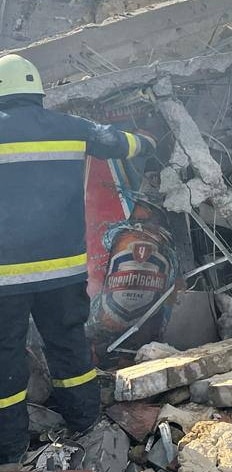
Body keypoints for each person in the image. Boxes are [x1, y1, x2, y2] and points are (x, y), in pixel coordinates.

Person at [0, 54, 156, 469]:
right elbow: (122, 143)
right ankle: (86, 423)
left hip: (4, 281)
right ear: (37, 92)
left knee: (5, 357)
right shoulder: (70, 128)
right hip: (63, 273)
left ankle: (9, 451)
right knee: (69, 347)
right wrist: (149, 140)